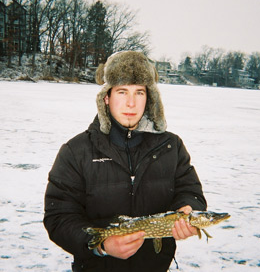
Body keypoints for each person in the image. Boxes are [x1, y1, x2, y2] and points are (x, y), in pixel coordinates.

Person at [43, 51, 207, 272]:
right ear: (106, 97)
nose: (131, 103)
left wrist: (189, 209)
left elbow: (191, 191)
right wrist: (100, 245)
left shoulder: (171, 146)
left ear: (149, 98)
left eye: (139, 92)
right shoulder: (76, 151)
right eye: (122, 91)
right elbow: (58, 216)